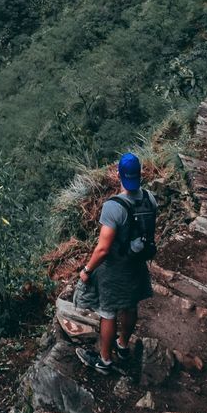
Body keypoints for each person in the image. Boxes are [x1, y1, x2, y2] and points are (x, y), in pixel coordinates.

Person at [74, 152, 158, 375]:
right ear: (140, 174)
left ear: (118, 174)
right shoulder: (150, 198)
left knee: (108, 312)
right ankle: (122, 345)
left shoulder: (114, 207)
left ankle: (104, 361)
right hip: (138, 263)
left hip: (115, 268)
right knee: (130, 306)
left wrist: (86, 270)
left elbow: (102, 249)